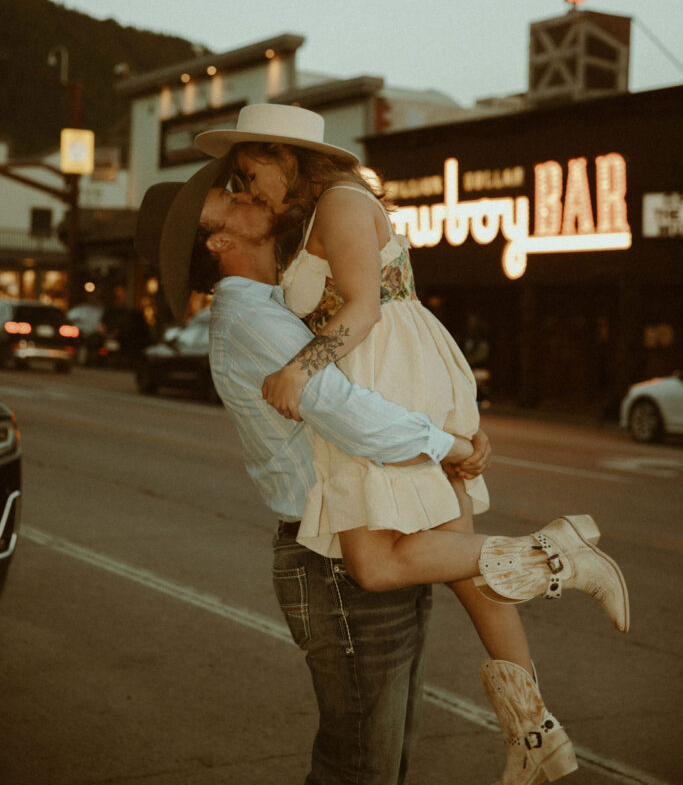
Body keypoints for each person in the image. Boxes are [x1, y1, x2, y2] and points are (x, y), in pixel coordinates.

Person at [196, 103, 630, 785]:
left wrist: (301, 368)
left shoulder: (340, 201)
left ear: (292, 160)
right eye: (238, 180)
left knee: (374, 562)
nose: (247, 189)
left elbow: (364, 308)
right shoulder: (306, 223)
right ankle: (532, 732)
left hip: (387, 370)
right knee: (456, 563)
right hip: (392, 374)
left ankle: (553, 556)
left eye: (251, 173)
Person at [135, 158, 489, 785]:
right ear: (219, 242)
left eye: (238, 182)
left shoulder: (286, 296)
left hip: (369, 537)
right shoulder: (249, 318)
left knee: (388, 755)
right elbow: (344, 411)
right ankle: (549, 554)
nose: (241, 193)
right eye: (227, 195)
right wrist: (450, 446)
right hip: (332, 562)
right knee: (359, 766)